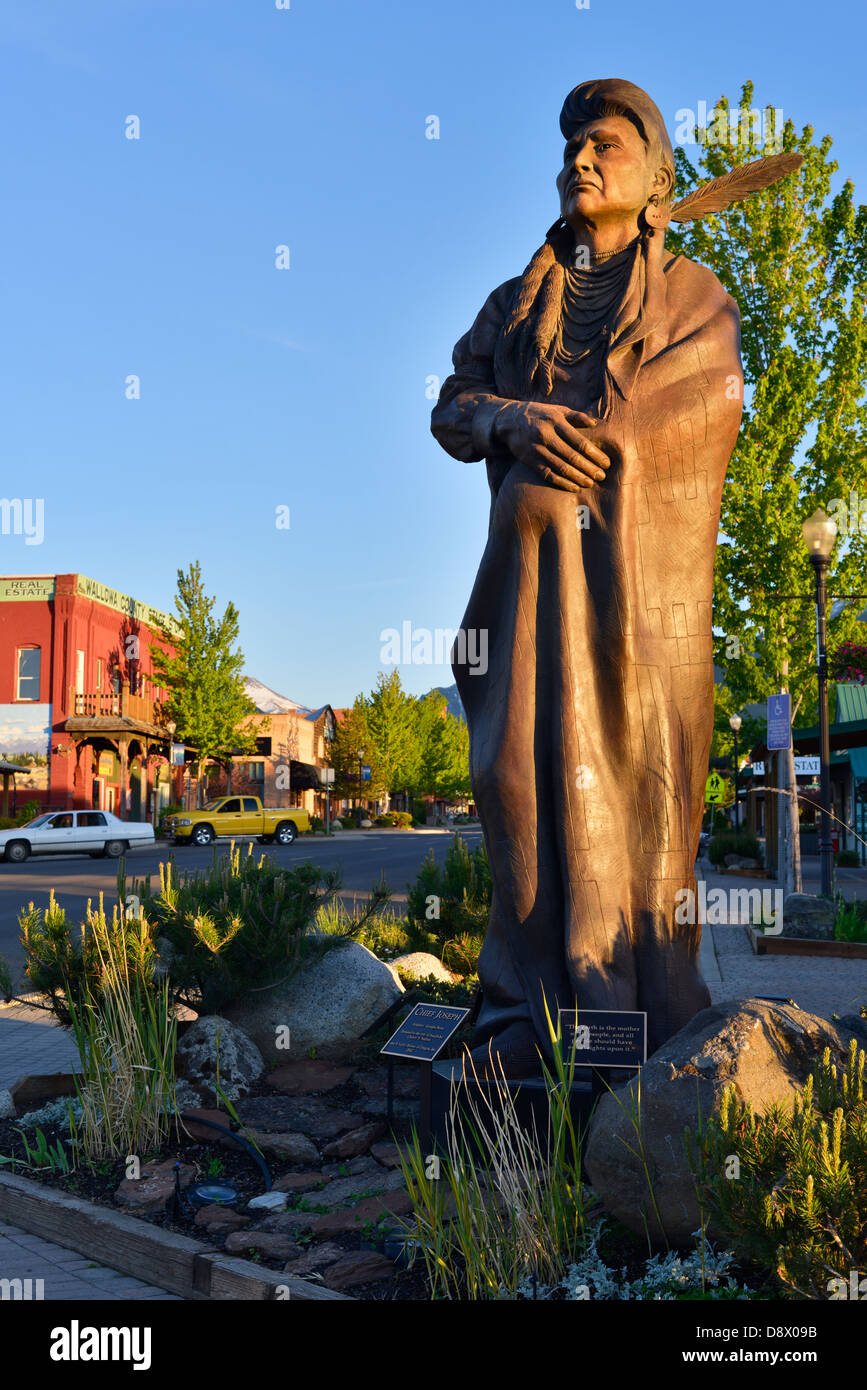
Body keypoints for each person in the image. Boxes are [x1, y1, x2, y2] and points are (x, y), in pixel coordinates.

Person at [431, 79, 744, 1069]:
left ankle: (626, 1019)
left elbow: (705, 408)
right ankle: (526, 1011)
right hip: (525, 593)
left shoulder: (697, 300)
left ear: (656, 177)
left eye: (605, 143)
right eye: (571, 144)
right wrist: (510, 421)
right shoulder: (516, 302)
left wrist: (605, 443)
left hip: (637, 617)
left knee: (643, 805)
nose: (580, 159)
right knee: (513, 777)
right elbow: (451, 404)